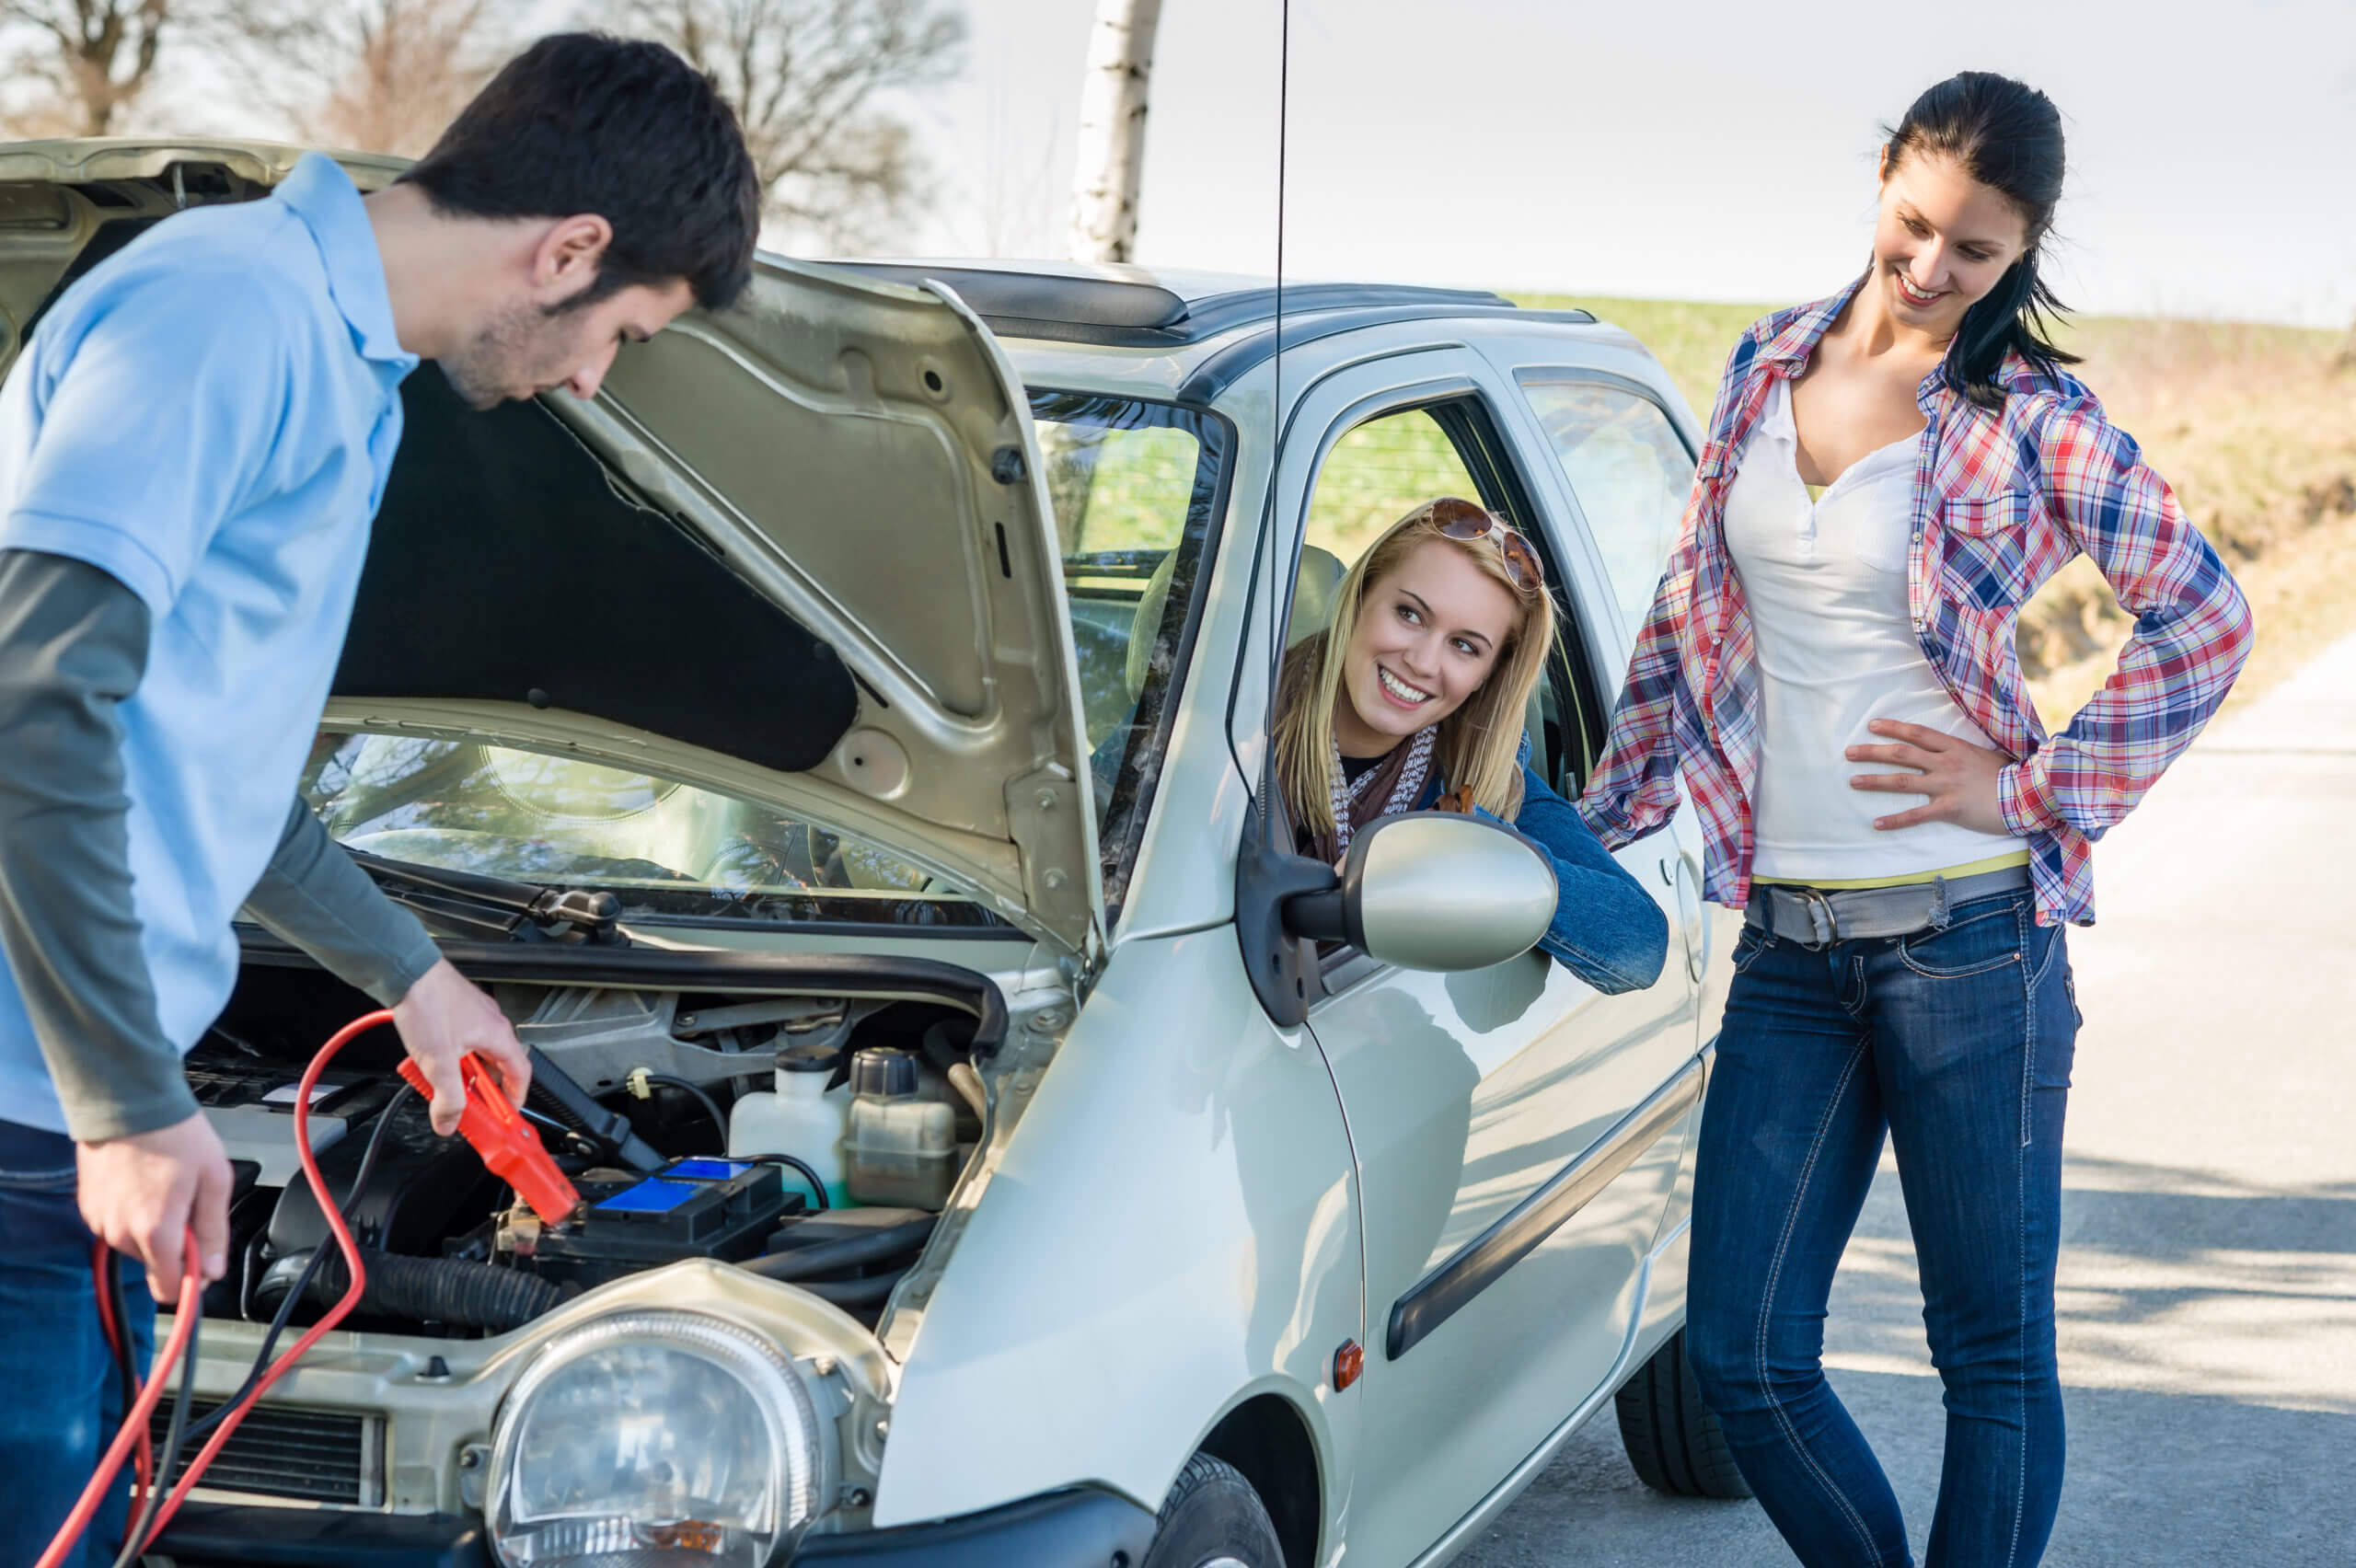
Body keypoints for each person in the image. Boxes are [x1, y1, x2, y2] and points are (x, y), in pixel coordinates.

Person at [0, 33, 760, 1565]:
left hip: (61, 1126)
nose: (594, 374)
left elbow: (213, 775)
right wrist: (134, 1106)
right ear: (569, 249)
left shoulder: (351, 383)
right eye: (624, 330)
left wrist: (414, 974)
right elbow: (29, 699)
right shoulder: (229, 313)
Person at [1576, 72, 2253, 1567]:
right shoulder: (1764, 365)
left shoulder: (2030, 415)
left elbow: (2204, 617)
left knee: (1990, 1357)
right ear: (1884, 175)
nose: (1934, 268)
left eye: (1978, 253)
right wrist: (1587, 811)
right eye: (1917, 224)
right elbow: (1689, 617)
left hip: (1970, 940)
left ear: (2025, 255)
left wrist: (2028, 789)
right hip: (1791, 943)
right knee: (1747, 1355)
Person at [1271, 496, 1668, 995]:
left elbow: (1639, 948)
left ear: (1488, 676)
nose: (1421, 660)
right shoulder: (1233, 713)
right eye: (1410, 614)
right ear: (1361, 597)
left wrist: (1459, 838)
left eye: (1464, 646)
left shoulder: (1476, 781)